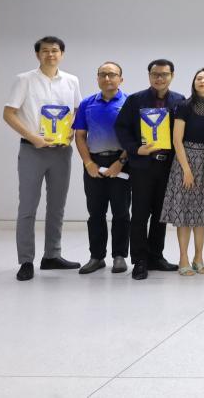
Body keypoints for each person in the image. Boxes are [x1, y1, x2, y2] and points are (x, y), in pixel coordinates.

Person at [3, 36, 83, 281]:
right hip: (32, 150)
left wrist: (70, 132)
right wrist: (32, 137)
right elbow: (9, 113)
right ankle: (26, 260)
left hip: (61, 151)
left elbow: (77, 111)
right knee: (28, 207)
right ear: (37, 54)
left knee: (57, 206)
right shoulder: (24, 80)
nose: (50, 54)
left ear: (62, 54)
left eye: (55, 50)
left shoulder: (71, 81)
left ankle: (52, 255)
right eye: (45, 51)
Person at [115, 58, 185, 280]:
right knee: (140, 214)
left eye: (164, 74)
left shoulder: (179, 101)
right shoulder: (135, 100)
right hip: (142, 166)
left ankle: (156, 256)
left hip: (168, 166)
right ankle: (140, 260)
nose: (159, 78)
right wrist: (136, 149)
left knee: (160, 214)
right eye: (155, 74)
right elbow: (121, 128)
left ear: (172, 76)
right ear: (149, 76)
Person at [160, 68, 204, 276]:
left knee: (202, 213)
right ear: (194, 83)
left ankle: (198, 257)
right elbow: (176, 140)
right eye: (199, 78)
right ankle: (183, 259)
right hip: (185, 160)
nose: (202, 81)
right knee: (185, 212)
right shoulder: (184, 106)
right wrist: (186, 169)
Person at [72, 61, 130, 275]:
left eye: (112, 74)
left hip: (121, 162)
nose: (107, 78)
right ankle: (96, 257)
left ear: (121, 79)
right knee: (95, 212)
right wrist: (88, 163)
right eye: (103, 74)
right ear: (97, 78)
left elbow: (135, 138)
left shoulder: (129, 103)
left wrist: (120, 162)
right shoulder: (87, 104)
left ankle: (119, 256)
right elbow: (80, 136)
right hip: (94, 163)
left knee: (121, 212)